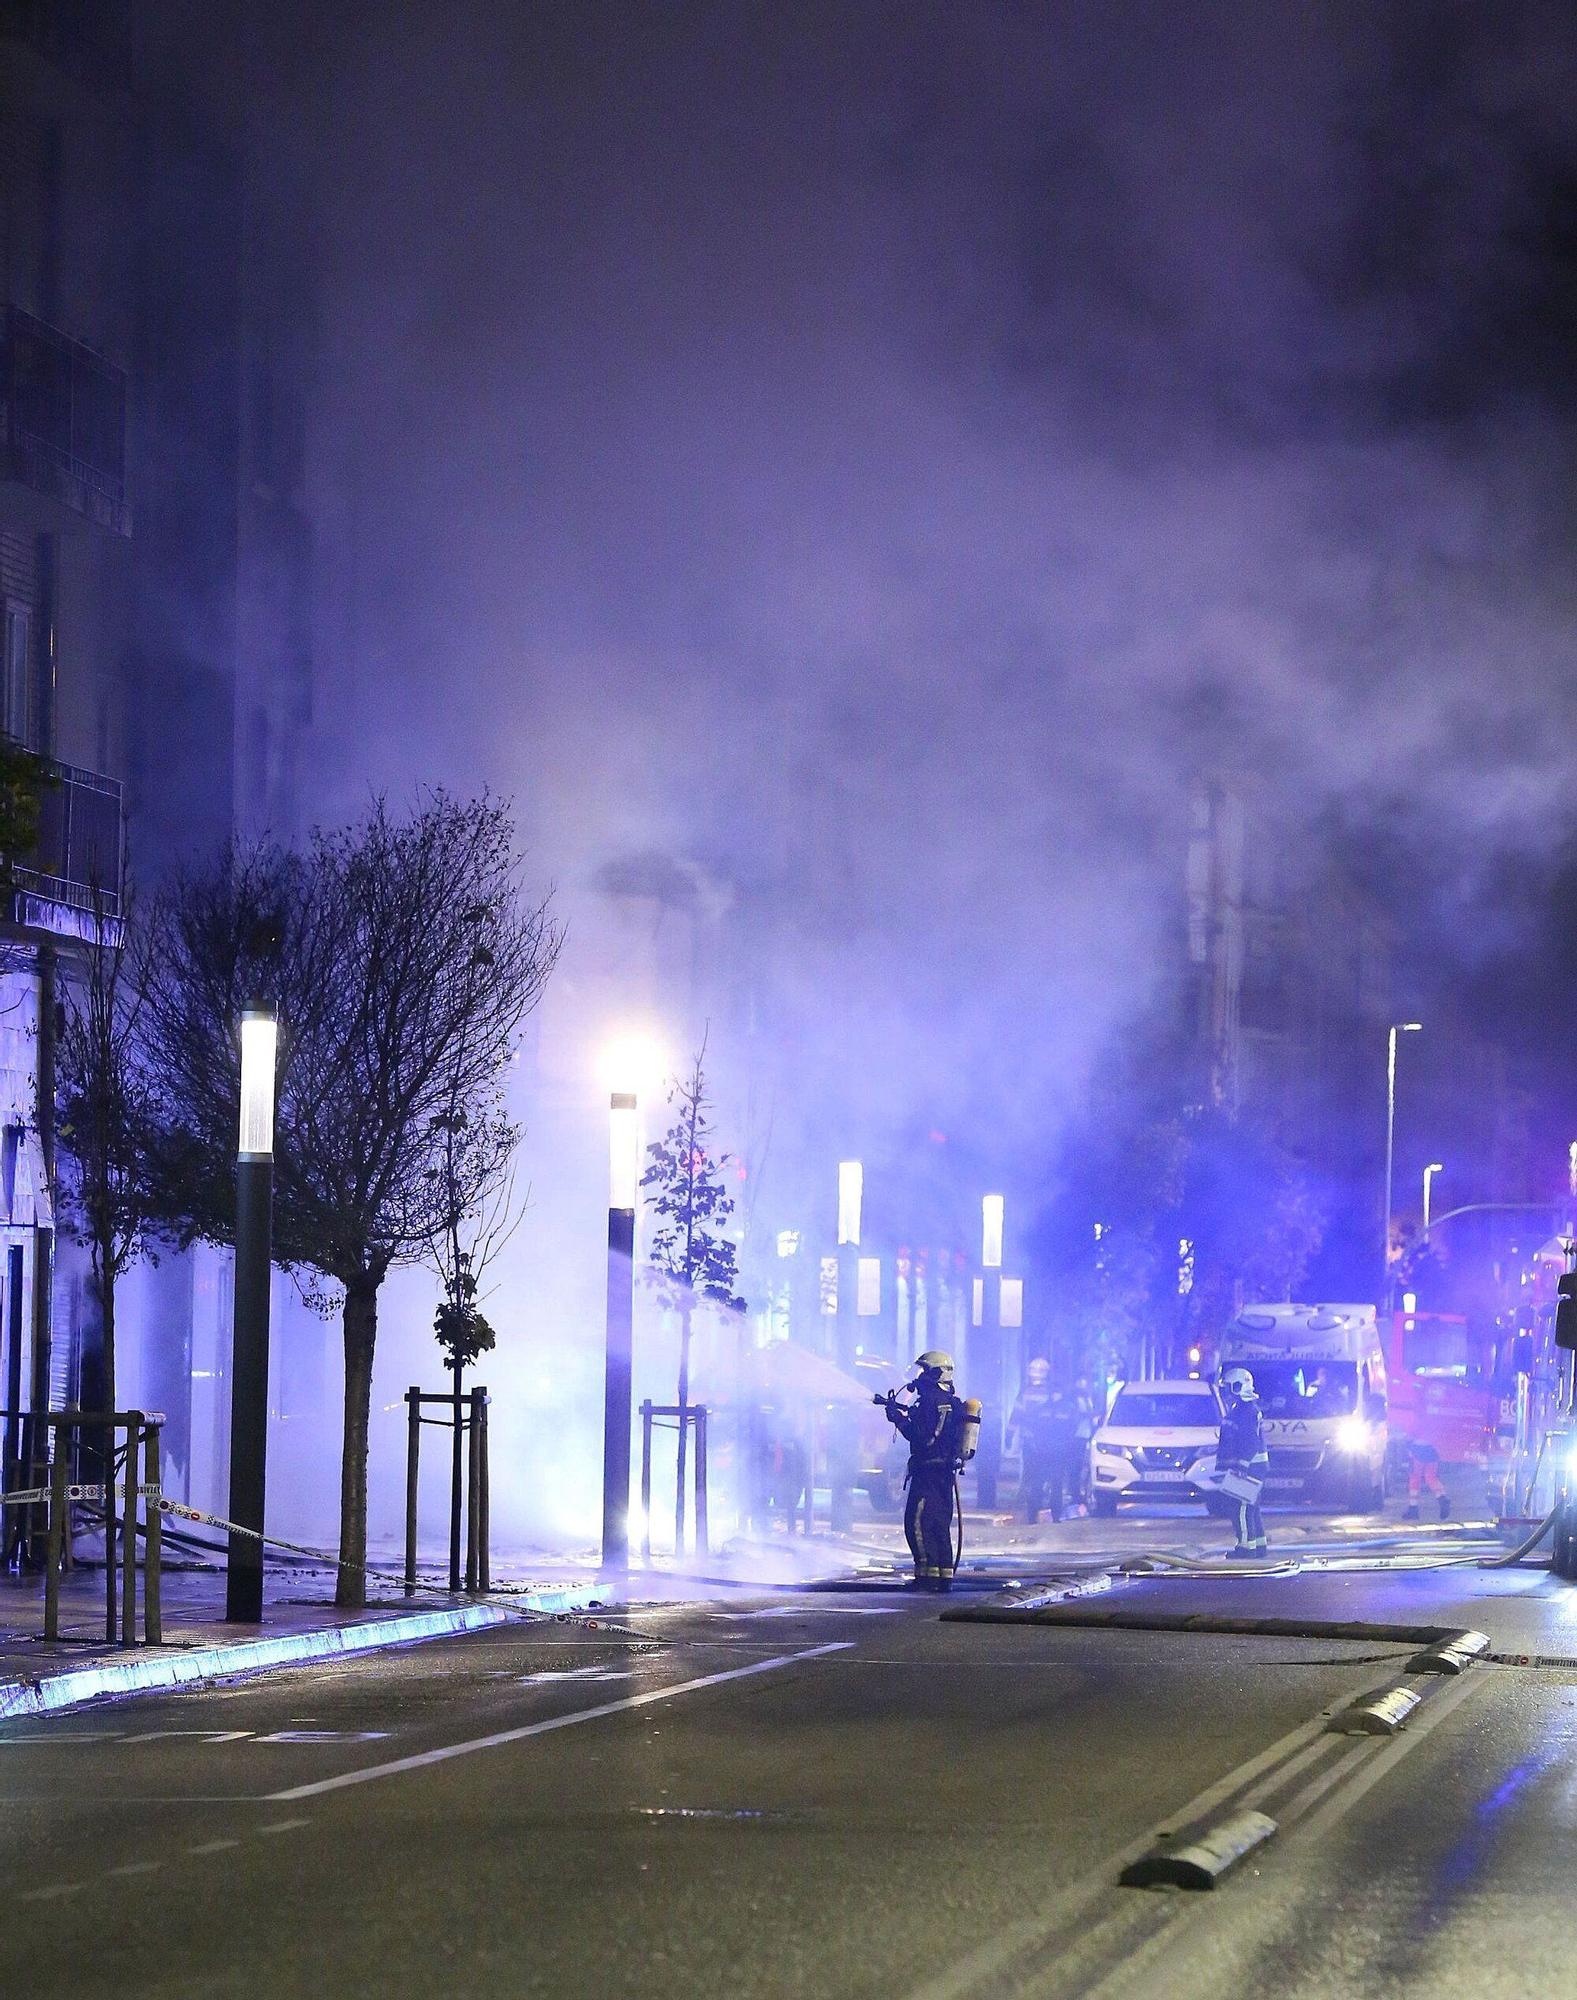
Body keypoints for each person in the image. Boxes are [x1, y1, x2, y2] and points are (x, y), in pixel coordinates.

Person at [882, 1350, 975, 1590]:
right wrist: (903, 1413)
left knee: (918, 1523)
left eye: (923, 1370)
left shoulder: (935, 1402)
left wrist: (900, 1422)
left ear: (935, 1373)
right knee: (938, 1524)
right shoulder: (948, 1401)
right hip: (942, 1473)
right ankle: (941, 1577)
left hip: (929, 1472)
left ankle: (927, 1577)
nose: (918, 1376)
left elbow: (926, 1439)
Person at [1216, 1365, 1270, 1558]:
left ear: (1237, 1387)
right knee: (1251, 1506)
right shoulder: (1243, 1409)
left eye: (1227, 1388)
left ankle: (1245, 1547)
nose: (1225, 1393)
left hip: (1249, 1466)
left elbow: (1249, 1442)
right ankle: (1259, 1545)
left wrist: (1241, 1466)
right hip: (1252, 1465)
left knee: (1241, 1506)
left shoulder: (1244, 1411)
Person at [1403, 1438, 1450, 1521]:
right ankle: (1442, 1498)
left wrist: (1408, 1445)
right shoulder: (1434, 1425)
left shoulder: (1416, 1425)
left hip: (1417, 1450)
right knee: (1431, 1478)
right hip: (1433, 1449)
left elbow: (1410, 1433)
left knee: (1415, 1478)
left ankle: (1413, 1508)